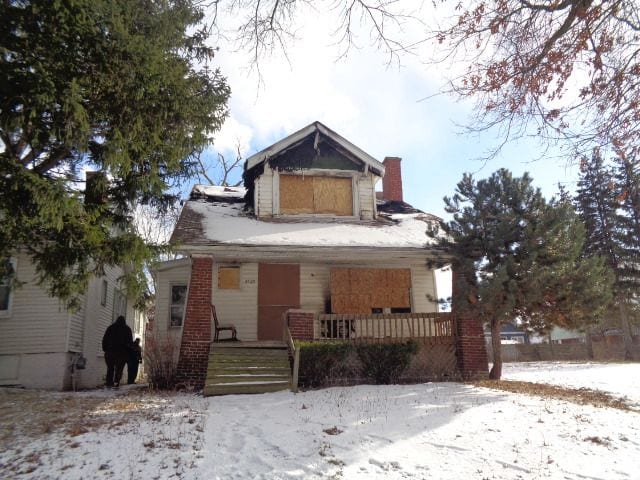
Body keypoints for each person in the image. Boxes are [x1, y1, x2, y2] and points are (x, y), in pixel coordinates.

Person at [102, 315, 133, 388]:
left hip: (110, 352)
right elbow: (130, 342)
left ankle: (109, 382)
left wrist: (105, 349)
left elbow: (105, 339)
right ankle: (116, 381)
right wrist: (128, 353)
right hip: (122, 353)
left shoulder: (110, 328)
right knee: (119, 368)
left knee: (110, 368)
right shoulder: (127, 329)